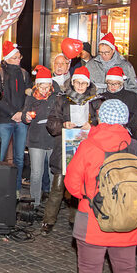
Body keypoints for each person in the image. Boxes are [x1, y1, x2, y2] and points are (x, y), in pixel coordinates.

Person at [64, 99, 137, 273]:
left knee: (90, 268)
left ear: (100, 117)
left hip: (93, 220)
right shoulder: (136, 147)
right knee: (125, 269)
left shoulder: (88, 146)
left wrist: (89, 196)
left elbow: (72, 184)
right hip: (128, 220)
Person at [42, 66, 102, 235]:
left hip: (86, 149)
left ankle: (76, 219)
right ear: (72, 82)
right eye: (77, 82)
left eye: (84, 83)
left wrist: (93, 126)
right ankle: (48, 220)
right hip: (66, 147)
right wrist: (63, 125)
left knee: (81, 186)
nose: (80, 86)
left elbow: (103, 124)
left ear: (88, 83)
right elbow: (51, 121)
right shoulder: (63, 99)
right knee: (58, 185)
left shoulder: (96, 101)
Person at [0, 41, 31, 196]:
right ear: (7, 58)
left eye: (19, 57)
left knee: (19, 157)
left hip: (21, 120)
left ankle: (16, 189)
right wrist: (13, 113)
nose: (18, 60)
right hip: (4, 120)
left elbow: (29, 97)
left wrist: (22, 113)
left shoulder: (24, 73)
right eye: (14, 58)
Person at [22, 65, 55, 208]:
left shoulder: (56, 97)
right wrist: (27, 117)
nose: (44, 91)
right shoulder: (31, 98)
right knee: (36, 173)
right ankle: (34, 202)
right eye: (42, 87)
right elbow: (24, 115)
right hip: (36, 139)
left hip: (53, 139)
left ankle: (54, 203)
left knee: (53, 172)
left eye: (47, 87)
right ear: (37, 86)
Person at [101, 66, 137, 138]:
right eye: (109, 83)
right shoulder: (101, 97)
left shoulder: (131, 97)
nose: (112, 86)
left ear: (121, 83)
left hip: (126, 134)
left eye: (116, 84)